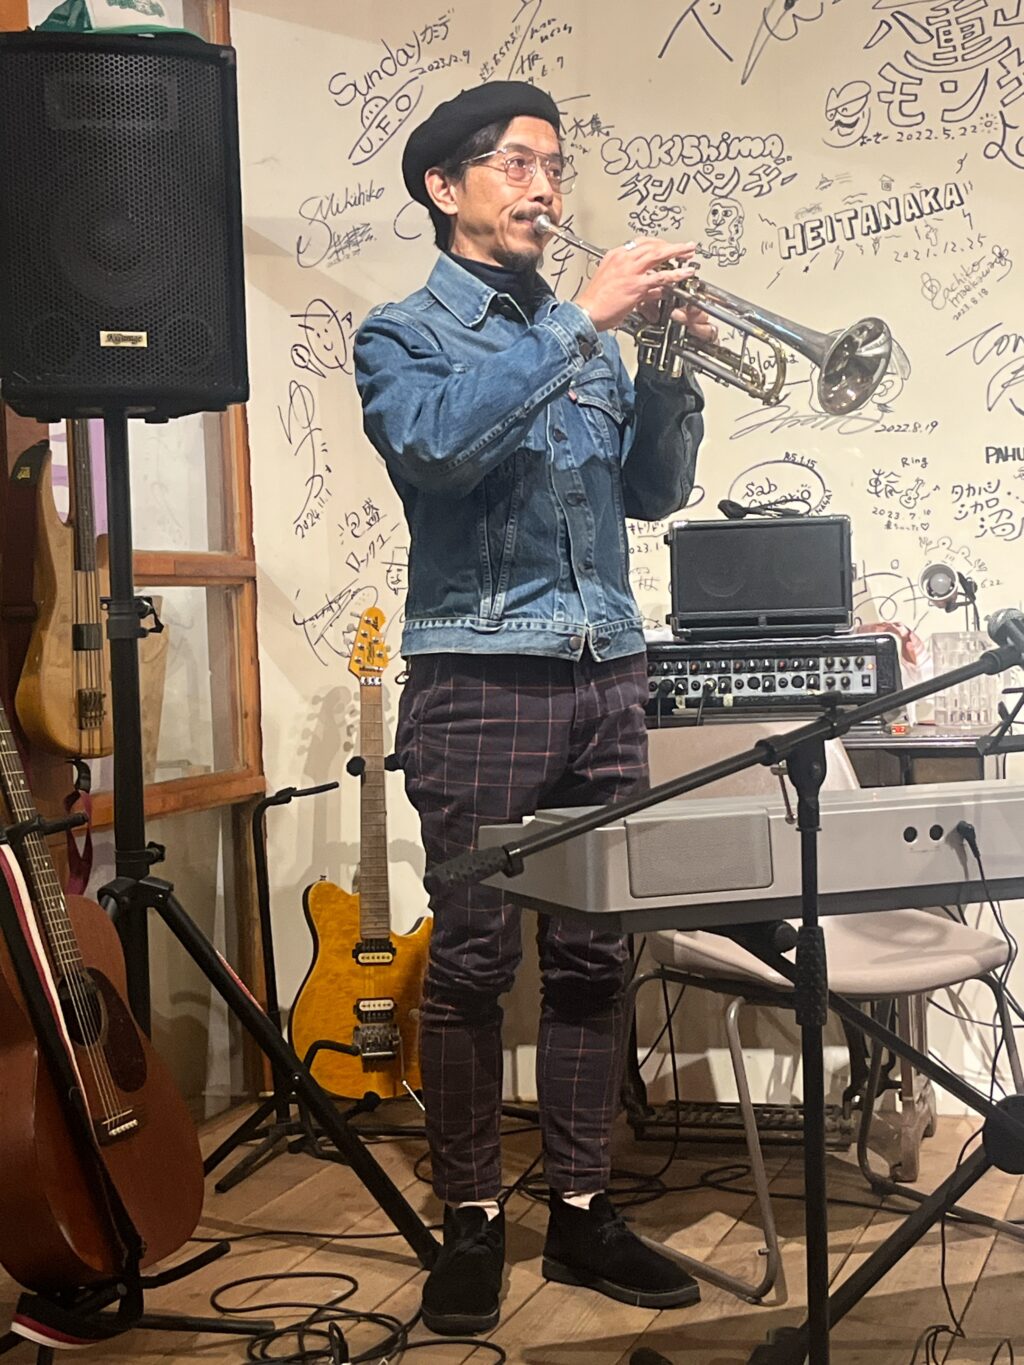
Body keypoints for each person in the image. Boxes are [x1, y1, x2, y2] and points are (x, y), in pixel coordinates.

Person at [354, 80, 710, 1337]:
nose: (544, 186)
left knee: (593, 958)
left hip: (606, 672)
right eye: (515, 162)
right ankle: (470, 1216)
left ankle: (579, 1209)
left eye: (554, 165)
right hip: (480, 678)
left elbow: (652, 493)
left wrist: (664, 364)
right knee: (469, 964)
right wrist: (581, 325)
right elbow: (436, 451)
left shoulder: (589, 340)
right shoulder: (401, 335)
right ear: (444, 187)